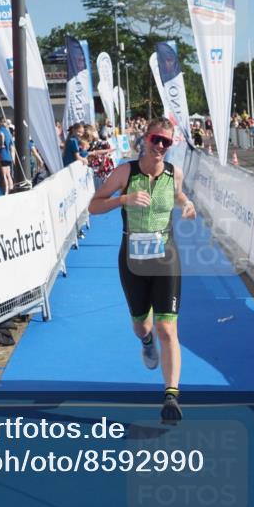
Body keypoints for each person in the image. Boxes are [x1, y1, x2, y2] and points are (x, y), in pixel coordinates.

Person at [87, 118, 197, 423]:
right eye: (156, 139)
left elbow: (177, 195)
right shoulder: (126, 172)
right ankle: (146, 343)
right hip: (132, 259)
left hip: (165, 257)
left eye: (167, 142)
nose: (160, 146)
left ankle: (171, 396)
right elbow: (93, 205)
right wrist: (124, 199)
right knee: (143, 327)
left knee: (167, 328)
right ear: (145, 139)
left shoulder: (174, 173)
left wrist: (187, 204)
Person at [0, 118, 15, 194]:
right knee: (8, 174)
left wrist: (2, 144)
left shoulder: (0, 130)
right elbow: (12, 147)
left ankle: (6, 191)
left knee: (3, 175)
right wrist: (13, 158)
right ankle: (11, 189)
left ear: (0, 123)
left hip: (2, 155)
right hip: (8, 156)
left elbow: (1, 135)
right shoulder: (8, 132)